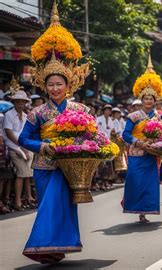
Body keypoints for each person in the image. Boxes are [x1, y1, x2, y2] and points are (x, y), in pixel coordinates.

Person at [17, 2, 91, 263]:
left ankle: (58, 247)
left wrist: (83, 148)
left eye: (60, 83)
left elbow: (92, 136)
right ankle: (44, 247)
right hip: (45, 165)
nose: (55, 88)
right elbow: (23, 139)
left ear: (68, 85)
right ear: (44, 86)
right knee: (47, 208)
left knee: (64, 209)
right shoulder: (37, 112)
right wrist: (43, 146)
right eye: (51, 84)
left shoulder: (80, 109)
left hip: (70, 166)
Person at [122, 54, 162, 223]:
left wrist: (161, 144)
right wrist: (138, 142)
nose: (148, 100)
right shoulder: (133, 116)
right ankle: (134, 206)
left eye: (151, 98)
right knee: (135, 182)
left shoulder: (159, 118)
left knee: (149, 184)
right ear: (141, 99)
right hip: (136, 153)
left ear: (155, 101)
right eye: (146, 98)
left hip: (152, 154)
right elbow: (125, 134)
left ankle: (145, 211)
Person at [4, 89, 35, 211]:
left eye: (23, 102)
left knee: (28, 174)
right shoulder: (9, 115)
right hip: (13, 146)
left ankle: (29, 197)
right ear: (15, 102)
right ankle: (17, 201)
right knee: (22, 174)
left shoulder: (26, 116)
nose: (20, 104)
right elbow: (9, 132)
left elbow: (26, 134)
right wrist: (21, 146)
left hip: (25, 147)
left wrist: (26, 146)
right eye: (18, 102)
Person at [96, 104, 119, 189]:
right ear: (103, 111)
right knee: (101, 163)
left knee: (108, 163)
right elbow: (96, 130)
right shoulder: (99, 119)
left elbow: (113, 131)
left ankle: (106, 181)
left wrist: (112, 133)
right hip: (100, 143)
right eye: (106, 110)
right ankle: (100, 181)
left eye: (109, 110)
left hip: (108, 142)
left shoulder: (111, 120)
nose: (108, 111)